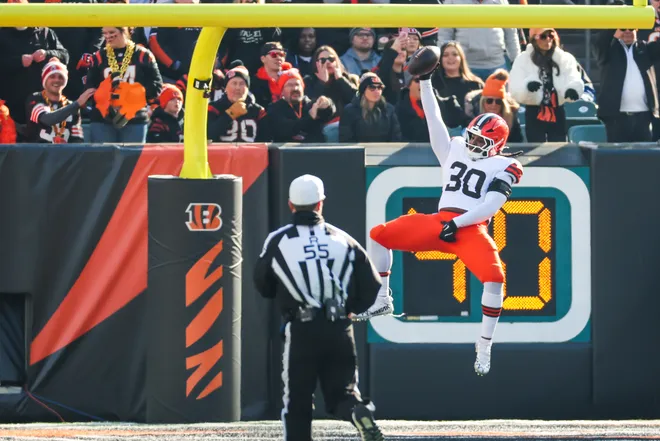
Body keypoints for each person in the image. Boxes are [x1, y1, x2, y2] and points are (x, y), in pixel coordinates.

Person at [353, 60, 524, 378]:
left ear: (497, 146)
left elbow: (491, 206)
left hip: (470, 228)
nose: (472, 143)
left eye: (481, 142)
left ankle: (484, 344)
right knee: (378, 234)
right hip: (440, 220)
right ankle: (382, 297)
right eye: (472, 136)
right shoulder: (456, 148)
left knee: (495, 278)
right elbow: (434, 119)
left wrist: (456, 225)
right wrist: (426, 80)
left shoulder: (505, 166)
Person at [254, 174, 385, 441]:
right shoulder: (344, 240)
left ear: (291, 205)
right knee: (343, 395)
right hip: (339, 328)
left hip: (301, 329)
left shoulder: (279, 240)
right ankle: (358, 411)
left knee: (298, 403)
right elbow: (372, 284)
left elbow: (263, 283)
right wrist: (351, 309)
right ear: (320, 204)